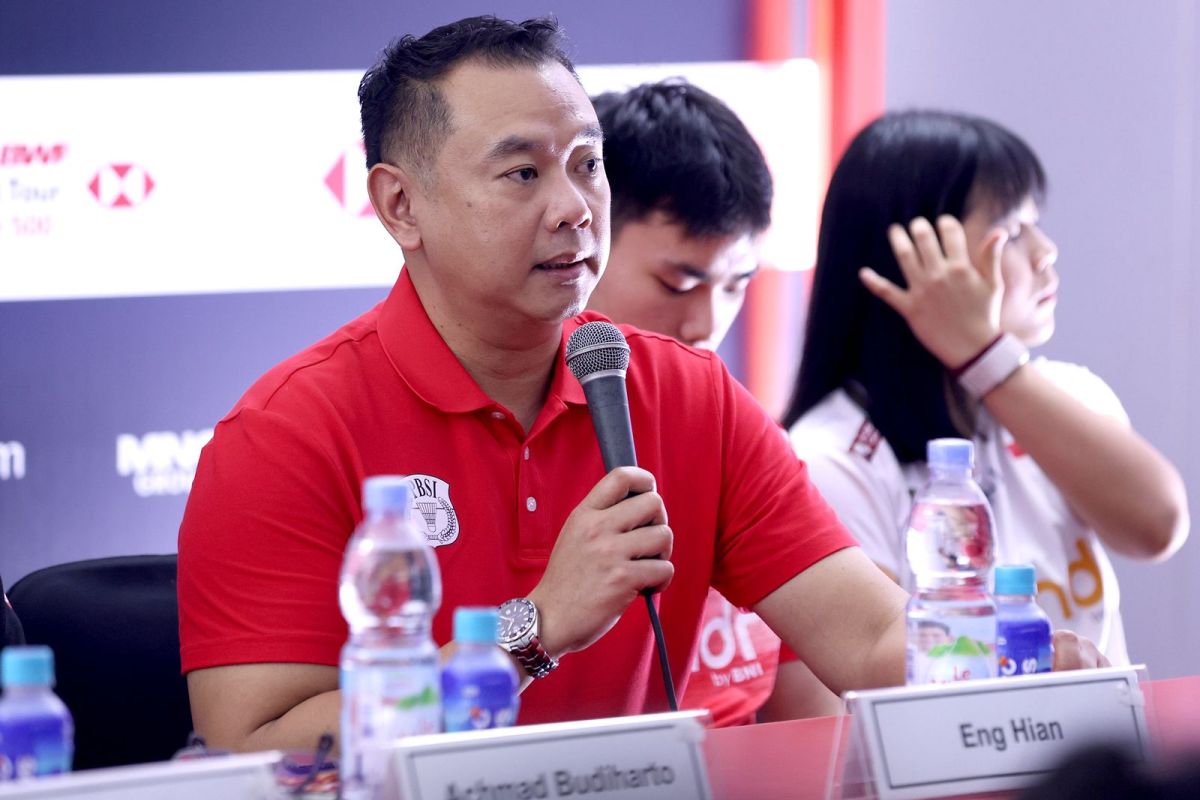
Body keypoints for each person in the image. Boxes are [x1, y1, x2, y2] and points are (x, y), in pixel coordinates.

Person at [177, 16, 917, 754]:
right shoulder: (286, 433)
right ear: (401, 206)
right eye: (523, 173)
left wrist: (984, 635)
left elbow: (873, 638)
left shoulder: (692, 395)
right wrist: (533, 629)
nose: (575, 209)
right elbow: (253, 748)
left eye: (587, 164)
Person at [783, 110, 1189, 669]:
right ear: (915, 257)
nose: (1046, 251)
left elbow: (1158, 526)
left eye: (1035, 224)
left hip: (1101, 729)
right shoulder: (832, 456)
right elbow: (864, 676)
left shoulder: (1066, 390)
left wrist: (986, 358)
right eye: (1013, 230)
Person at [587, 79, 840, 724]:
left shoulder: (729, 425)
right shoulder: (517, 442)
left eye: (735, 286)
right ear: (583, 237)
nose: (707, 324)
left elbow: (816, 707)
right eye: (678, 283)